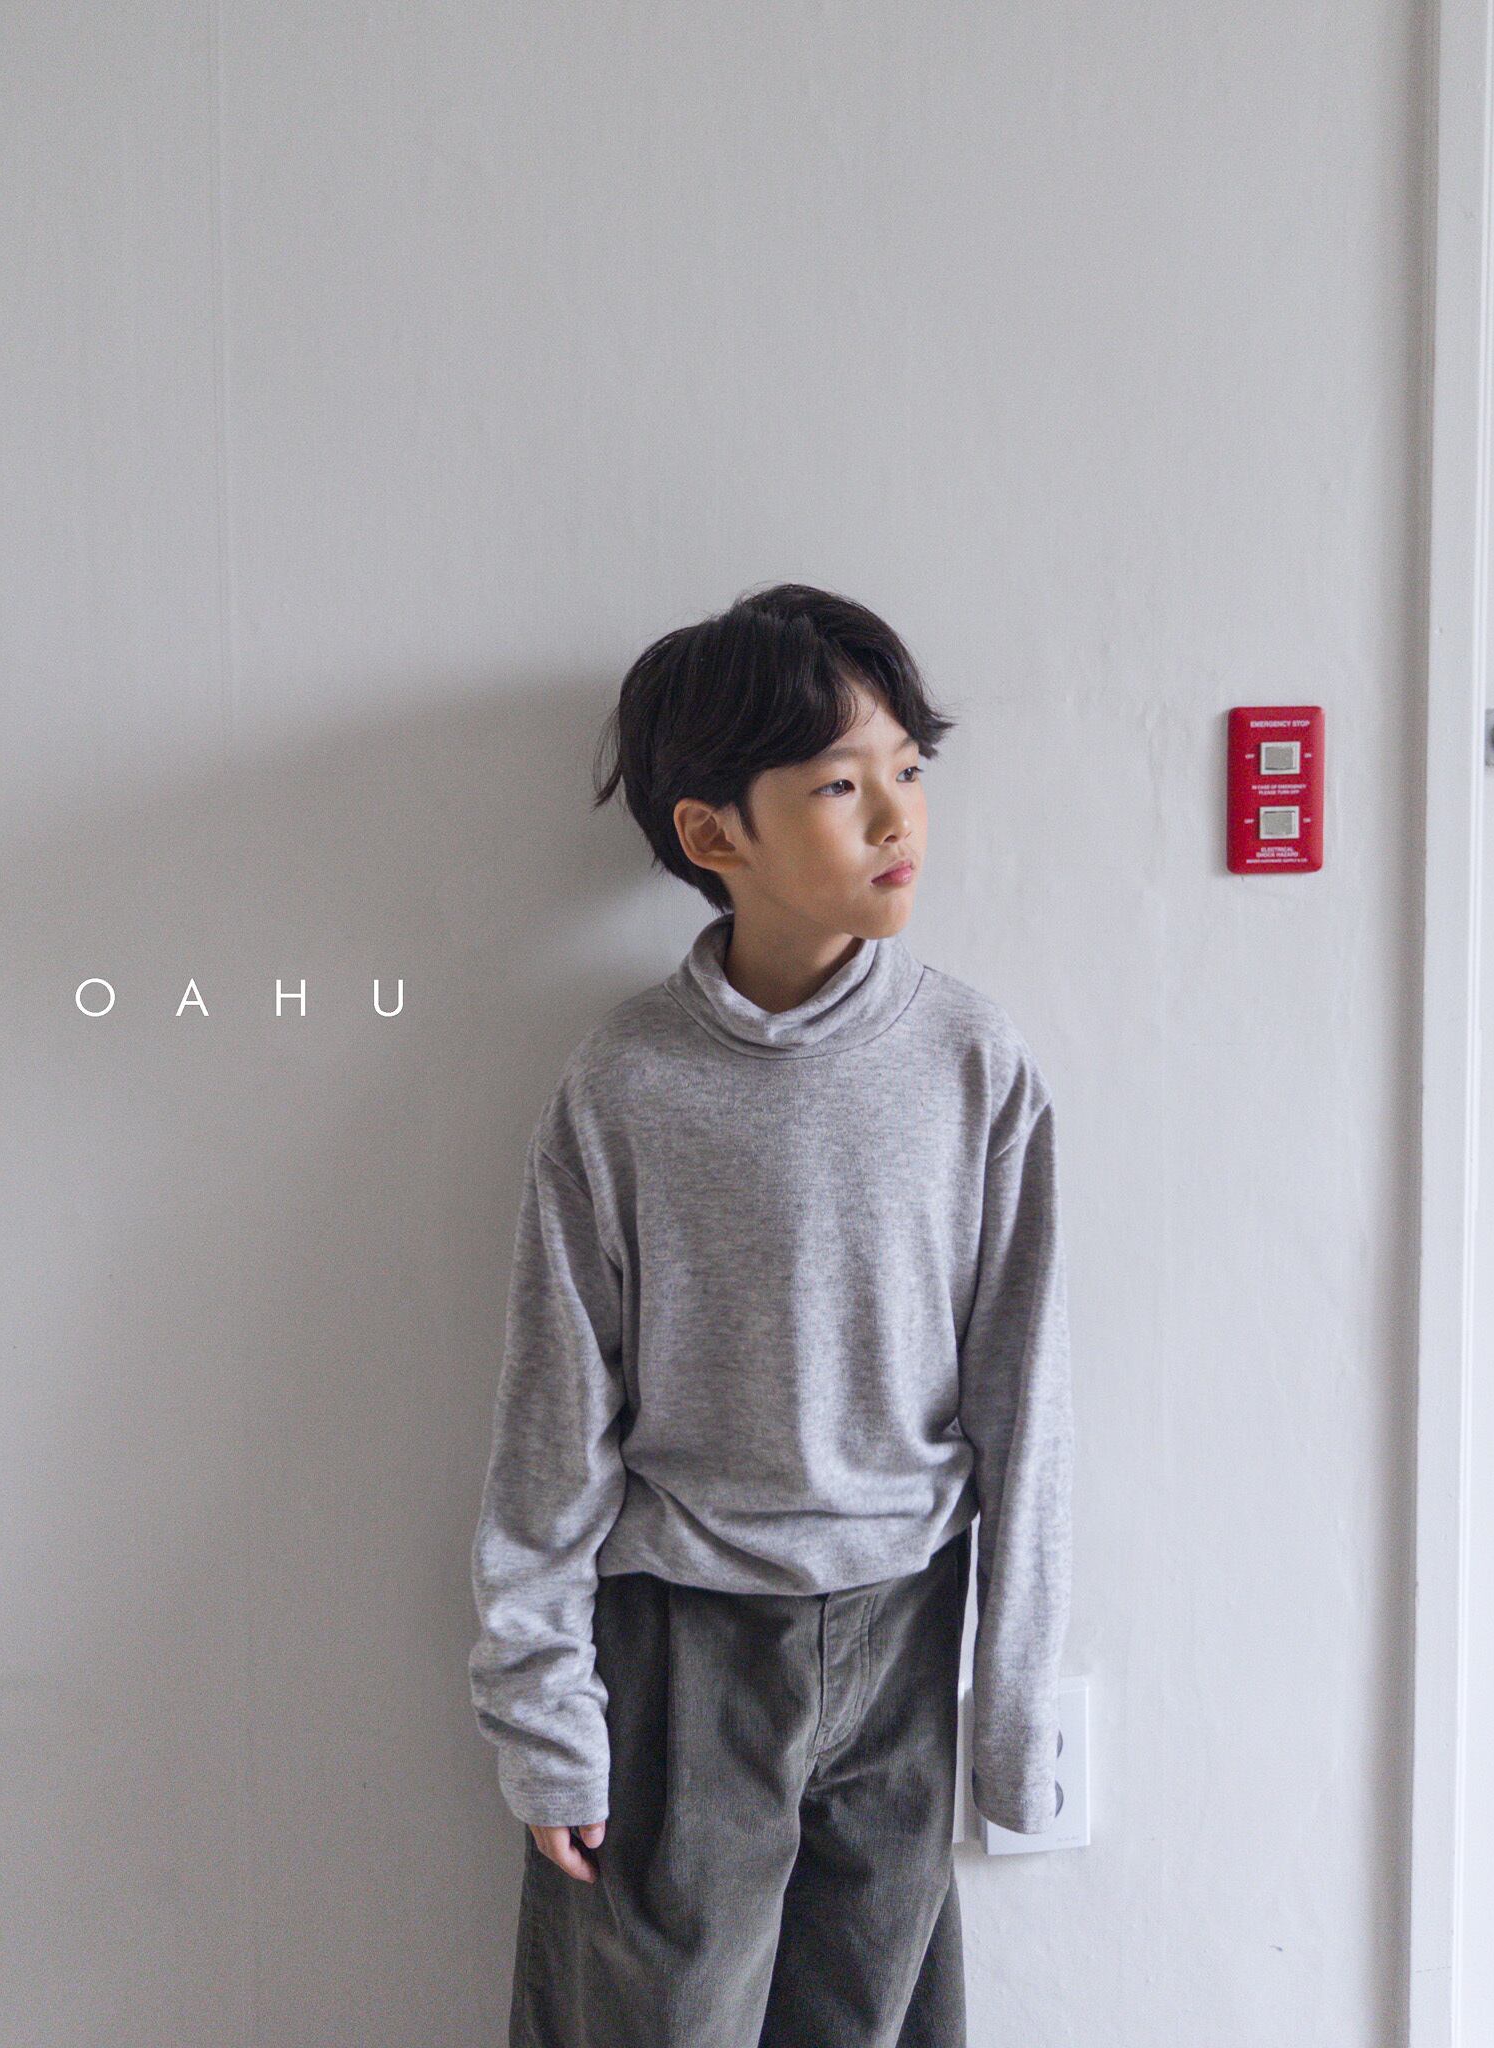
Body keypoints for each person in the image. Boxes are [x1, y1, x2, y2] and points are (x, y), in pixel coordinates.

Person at [468, 582, 1074, 2047]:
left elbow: (1026, 1406)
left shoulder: (970, 1061)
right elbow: (554, 1421)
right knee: (652, 2018)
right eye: (840, 785)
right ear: (713, 833)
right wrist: (546, 1717)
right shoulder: (625, 1085)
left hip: (905, 1626)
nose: (898, 818)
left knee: (863, 2017)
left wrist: (1011, 1713)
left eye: (909, 770)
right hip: (681, 1652)